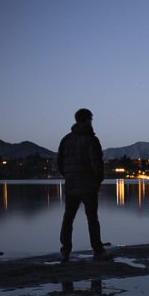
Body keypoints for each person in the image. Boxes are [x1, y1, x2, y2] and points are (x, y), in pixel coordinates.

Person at [57, 108, 112, 261]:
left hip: (71, 185)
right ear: (88, 119)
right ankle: (98, 250)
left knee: (68, 218)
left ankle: (65, 250)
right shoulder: (91, 140)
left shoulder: (66, 139)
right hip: (88, 185)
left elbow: (60, 163)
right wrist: (98, 180)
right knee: (92, 218)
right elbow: (97, 164)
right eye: (91, 119)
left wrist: (68, 176)